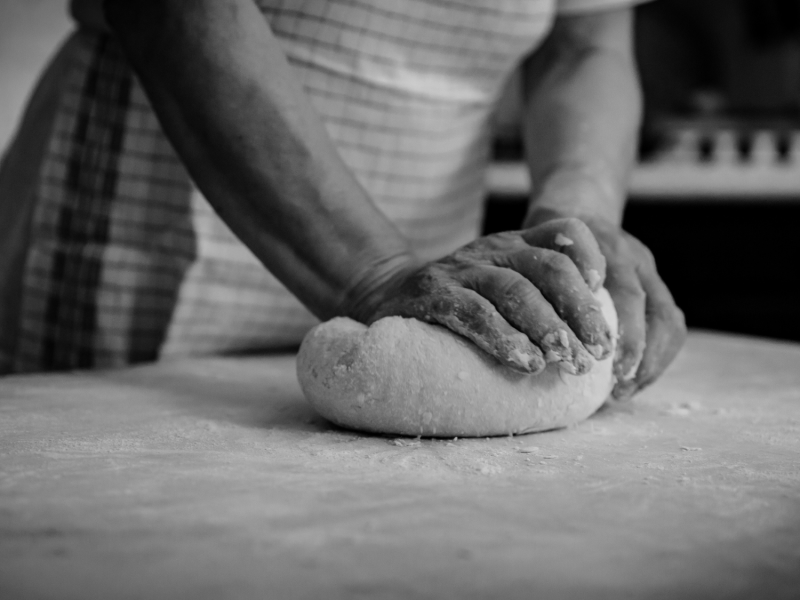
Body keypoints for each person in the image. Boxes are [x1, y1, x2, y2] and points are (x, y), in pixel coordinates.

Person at [0, 0, 685, 400]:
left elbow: (586, 40)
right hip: (152, 242)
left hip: (439, 289)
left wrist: (577, 219)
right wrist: (375, 272)